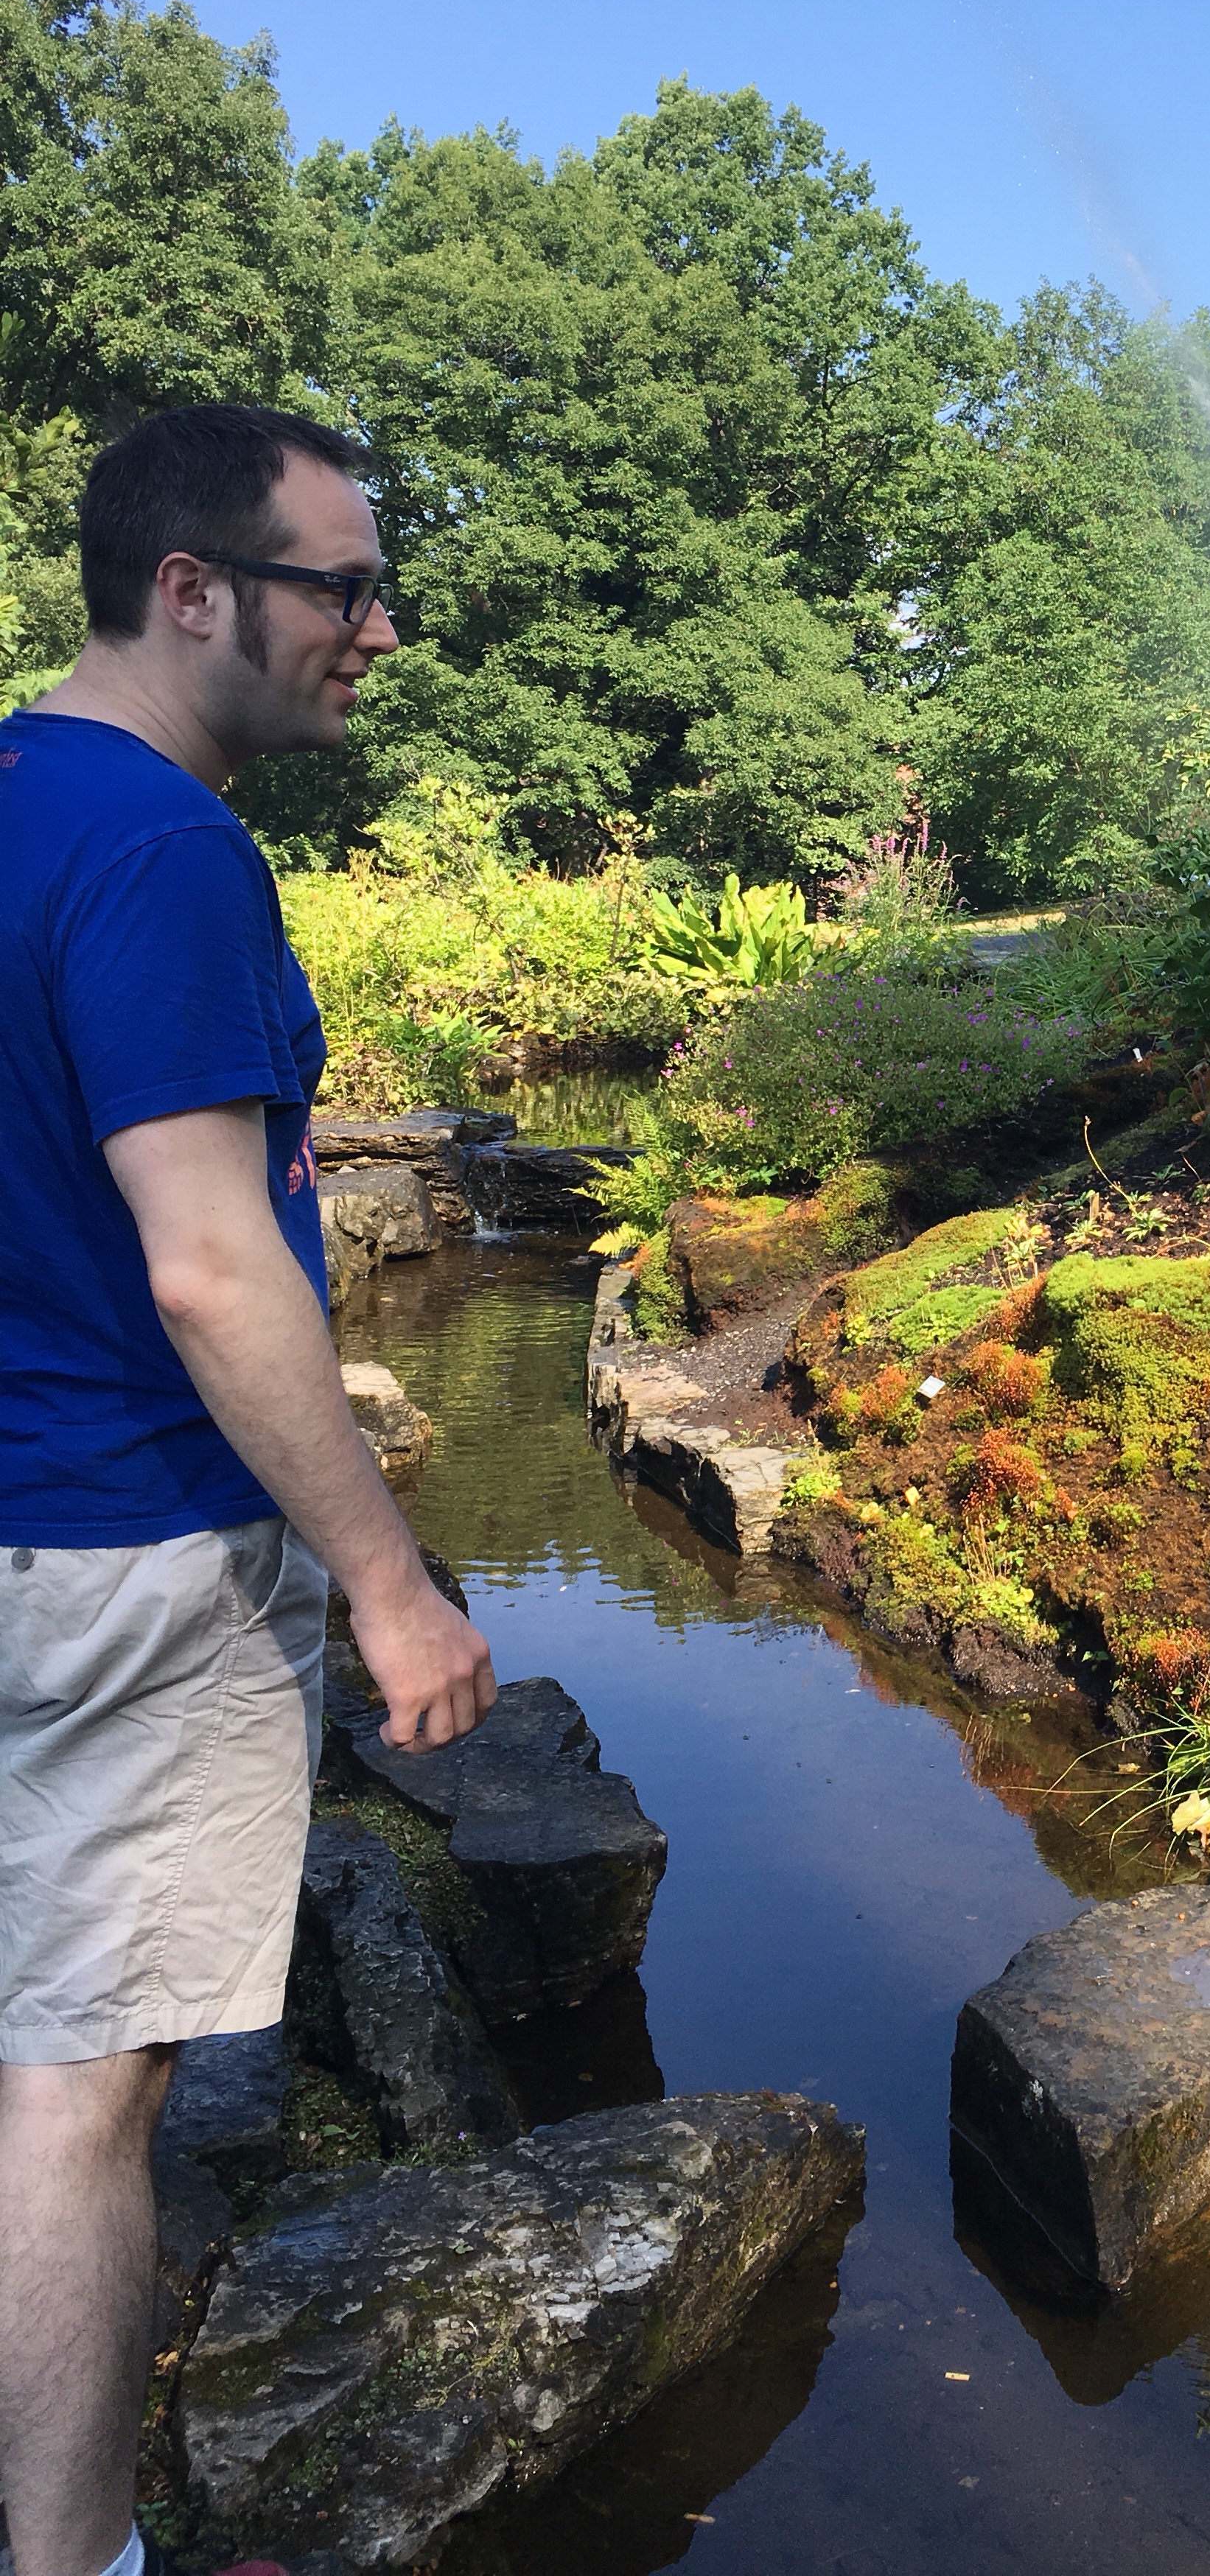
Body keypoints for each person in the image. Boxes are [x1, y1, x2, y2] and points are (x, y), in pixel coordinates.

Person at [0, 406, 497, 2576]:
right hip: (123, 1555)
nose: (377, 630)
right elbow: (210, 1265)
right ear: (192, 589)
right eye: (344, 585)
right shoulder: (167, 849)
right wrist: (387, 1582)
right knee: (76, 2096)